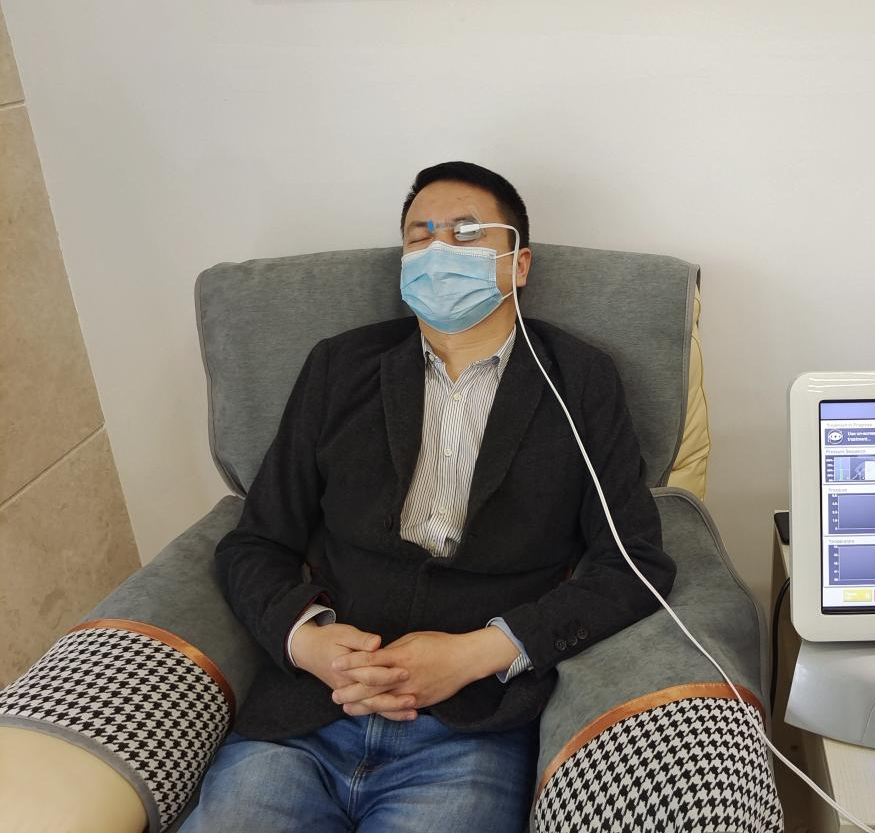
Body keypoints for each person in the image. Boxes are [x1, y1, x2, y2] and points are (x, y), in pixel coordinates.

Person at [183, 161, 677, 832]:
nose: (439, 249)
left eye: (466, 233)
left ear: (518, 264)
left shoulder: (580, 381)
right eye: (420, 236)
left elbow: (633, 563)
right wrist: (310, 644)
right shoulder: (338, 368)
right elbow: (256, 541)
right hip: (311, 714)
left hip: (470, 728)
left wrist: (477, 653)